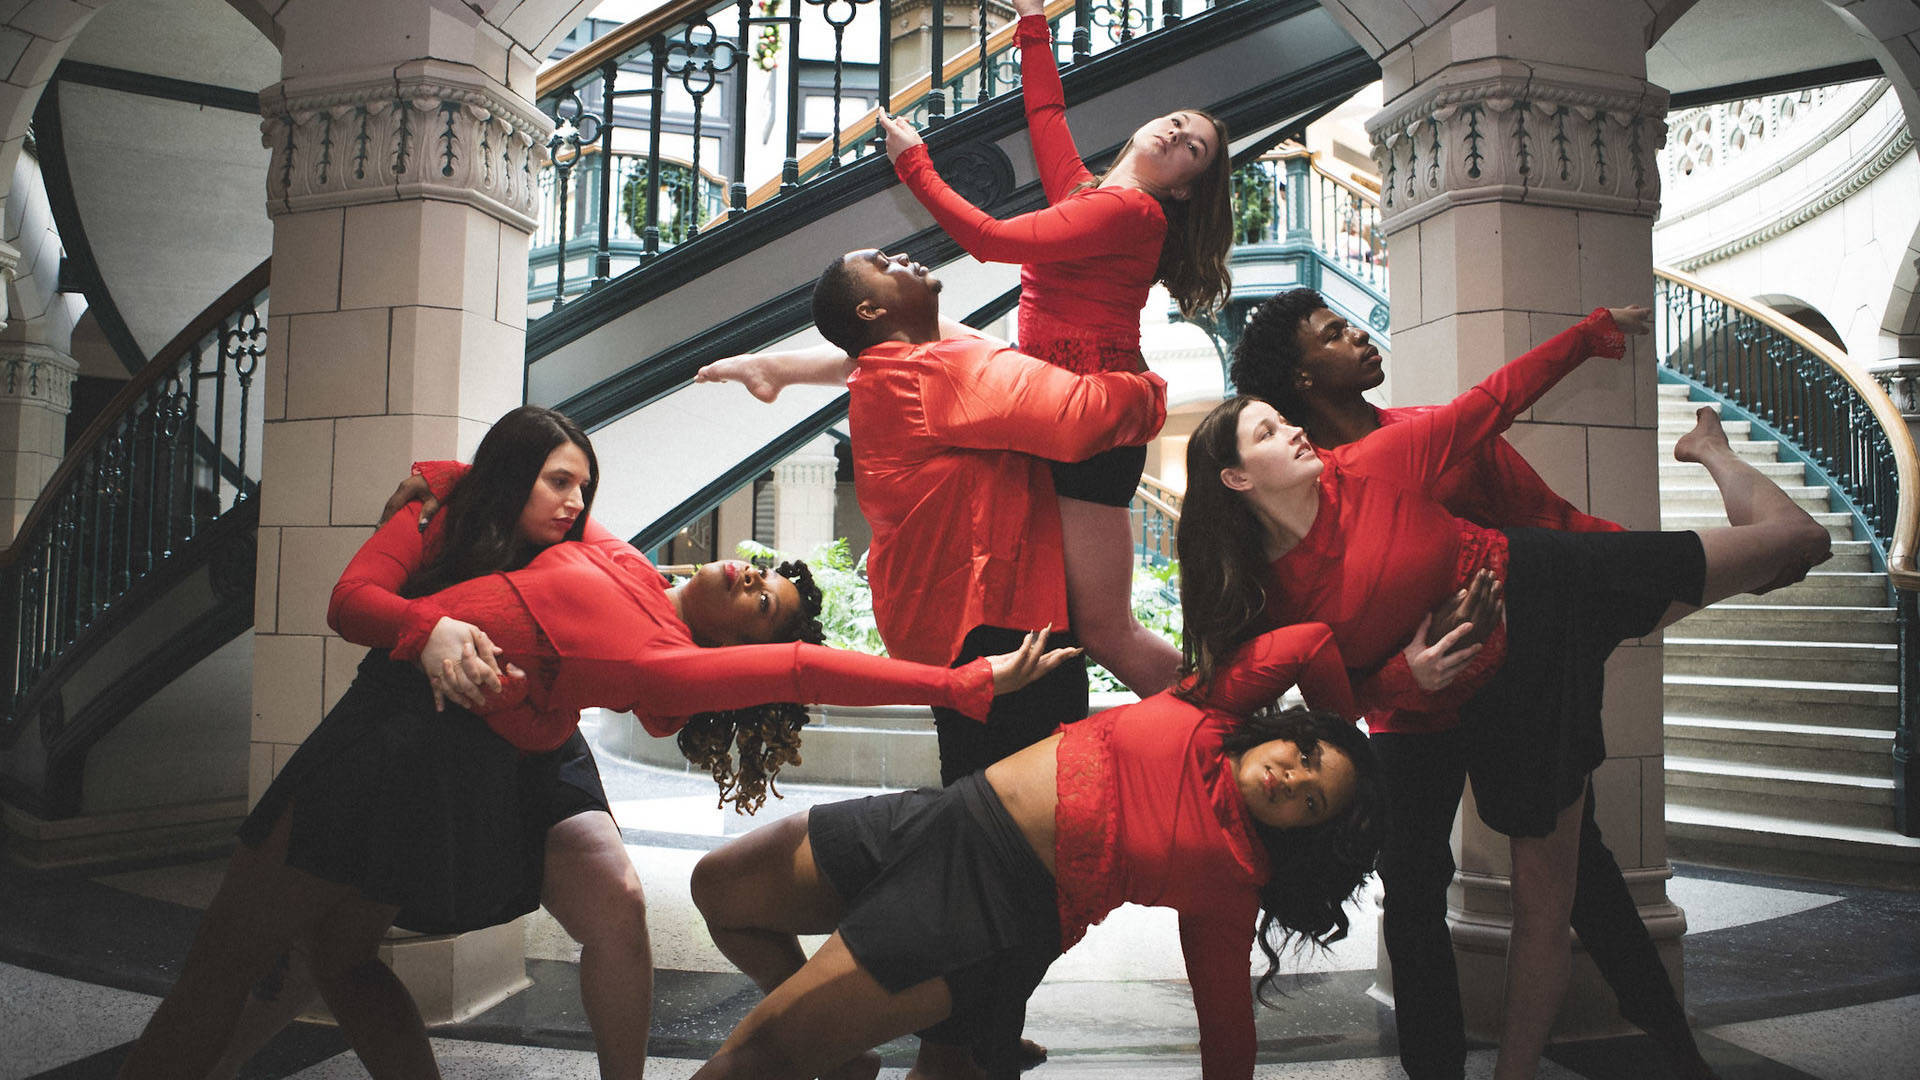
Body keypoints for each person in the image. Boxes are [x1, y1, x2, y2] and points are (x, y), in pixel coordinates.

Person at [116, 406, 1072, 1080]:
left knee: (234, 961)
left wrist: (958, 682)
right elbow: (531, 489)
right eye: (764, 573)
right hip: (393, 737)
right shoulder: (617, 556)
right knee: (333, 959)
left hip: (381, 759)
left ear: (736, 648)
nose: (749, 571)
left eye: (760, 600)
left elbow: (807, 676)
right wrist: (453, 479)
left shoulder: (662, 664)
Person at [1179, 306, 1832, 1080]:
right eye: (1331, 333)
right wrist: (1404, 676)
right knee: (1419, 892)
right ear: (1298, 380)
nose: (1360, 336)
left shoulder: (1405, 447)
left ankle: (1671, 1045)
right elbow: (1303, 687)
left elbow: (1531, 498)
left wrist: (1629, 579)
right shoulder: (1291, 523)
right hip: (1415, 716)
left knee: (1576, 870)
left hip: (1534, 635)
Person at [697, 0, 1232, 699]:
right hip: (1047, 394)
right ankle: (778, 369)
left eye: (1191, 147)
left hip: (1093, 420)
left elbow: (989, 241)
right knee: (910, 347)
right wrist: (1033, 27)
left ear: (1187, 184)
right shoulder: (1089, 192)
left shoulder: (1127, 212)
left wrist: (913, 165)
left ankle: (1223, 721)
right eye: (1177, 121)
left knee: (1106, 629)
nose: (1175, 133)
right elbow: (1046, 120)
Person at [687, 622, 1384, 1080]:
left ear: (1301, 831)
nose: (1293, 779)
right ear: (1293, 730)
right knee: (721, 889)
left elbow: (1226, 1026)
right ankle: (842, 1056)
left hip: (981, 910)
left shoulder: (1232, 877)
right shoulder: (1211, 708)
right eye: (1309, 754)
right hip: (944, 818)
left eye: (1312, 801)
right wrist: (1353, 731)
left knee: (753, 1059)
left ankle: (832, 1038)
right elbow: (1312, 641)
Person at [800, 246, 1167, 1076]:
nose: (909, 256)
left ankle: (973, 1033)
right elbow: (1081, 411)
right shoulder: (923, 371)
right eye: (884, 261)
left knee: (1003, 845)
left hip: (980, 632)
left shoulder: (907, 368)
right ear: (869, 311)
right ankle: (960, 1043)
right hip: (1004, 637)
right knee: (1029, 854)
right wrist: (1140, 382)